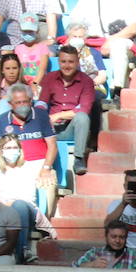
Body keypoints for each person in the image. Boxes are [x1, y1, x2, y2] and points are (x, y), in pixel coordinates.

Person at [69, 0, 136, 97]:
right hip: (91, 42)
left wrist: (110, 41)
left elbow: (132, 29)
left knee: (118, 45)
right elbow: (74, 23)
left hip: (119, 40)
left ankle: (117, 91)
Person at [37, 45, 95, 176]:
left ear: (77, 62)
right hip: (51, 128)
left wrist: (58, 115)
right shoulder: (49, 78)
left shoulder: (86, 82)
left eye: (71, 62)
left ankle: (79, 158)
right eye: (63, 61)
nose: (67, 65)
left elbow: (84, 108)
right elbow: (42, 103)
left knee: (82, 117)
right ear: (59, 61)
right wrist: (43, 117)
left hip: (71, 128)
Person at [0, 83, 58, 195]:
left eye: (25, 101)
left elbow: (52, 146)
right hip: (13, 166)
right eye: (18, 102)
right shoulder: (2, 120)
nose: (22, 105)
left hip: (40, 165)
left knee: (48, 185)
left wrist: (46, 168)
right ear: (10, 104)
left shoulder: (41, 116)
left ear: (31, 100)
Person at [0, 133, 52, 240]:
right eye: (8, 148)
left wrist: (7, 204)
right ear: (2, 151)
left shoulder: (28, 168)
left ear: (19, 150)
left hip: (24, 209)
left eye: (14, 147)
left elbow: (28, 198)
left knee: (19, 206)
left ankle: (21, 251)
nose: (11, 150)